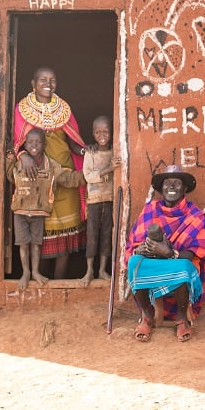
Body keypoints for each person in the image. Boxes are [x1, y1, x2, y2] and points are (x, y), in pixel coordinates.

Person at [13, 67, 88, 279]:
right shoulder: (22, 110)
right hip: (38, 181)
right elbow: (16, 143)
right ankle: (39, 280)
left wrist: (85, 151)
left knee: (65, 235)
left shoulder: (63, 108)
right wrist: (22, 156)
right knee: (39, 233)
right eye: (43, 80)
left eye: (53, 80)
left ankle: (58, 281)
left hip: (65, 176)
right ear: (33, 83)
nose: (48, 83)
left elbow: (74, 142)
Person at [124, 165, 205, 342]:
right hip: (153, 263)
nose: (171, 187)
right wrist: (141, 249)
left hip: (177, 262)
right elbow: (134, 244)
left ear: (185, 188)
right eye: (167, 183)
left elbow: (198, 253)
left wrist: (170, 253)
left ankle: (181, 319)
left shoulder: (196, 216)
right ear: (161, 188)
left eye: (177, 183)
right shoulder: (150, 210)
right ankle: (147, 315)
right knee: (134, 263)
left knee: (184, 267)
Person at [6, 128, 85, 289]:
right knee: (23, 245)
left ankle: (35, 272)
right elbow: (9, 174)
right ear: (25, 145)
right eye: (30, 142)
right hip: (20, 212)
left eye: (38, 142)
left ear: (45, 144)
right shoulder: (20, 162)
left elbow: (68, 178)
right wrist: (17, 156)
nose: (34, 145)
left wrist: (90, 174)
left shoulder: (52, 166)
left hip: (39, 213)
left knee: (36, 244)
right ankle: (26, 273)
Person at [81, 116, 121, 286]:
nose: (102, 135)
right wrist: (108, 169)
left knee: (106, 235)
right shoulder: (90, 153)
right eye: (98, 132)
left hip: (109, 199)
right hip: (94, 201)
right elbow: (88, 176)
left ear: (112, 132)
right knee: (91, 236)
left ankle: (102, 270)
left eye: (106, 131)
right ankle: (89, 270)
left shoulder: (115, 152)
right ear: (93, 133)